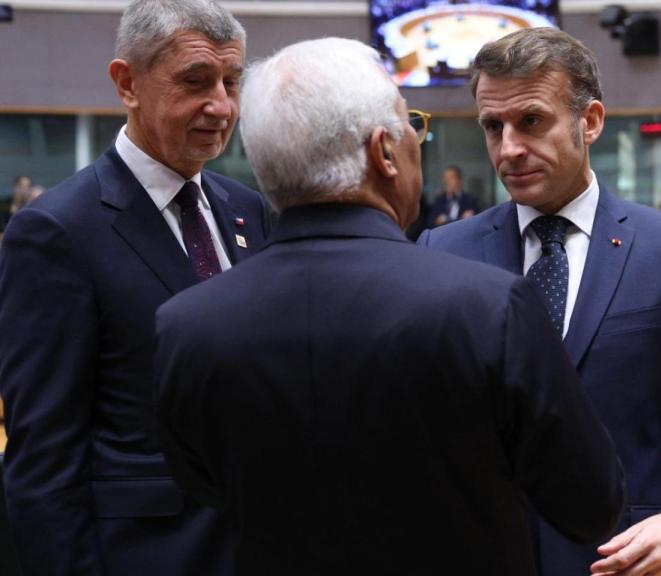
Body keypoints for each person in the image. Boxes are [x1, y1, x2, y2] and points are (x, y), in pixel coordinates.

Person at [152, 37, 624, 576]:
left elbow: (202, 485)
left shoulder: (186, 326)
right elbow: (591, 503)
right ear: (383, 153)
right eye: (410, 128)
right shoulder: (487, 308)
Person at [418, 28, 661, 576]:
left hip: (624, 556)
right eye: (492, 127)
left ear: (589, 121)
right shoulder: (443, 250)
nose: (509, 149)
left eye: (531, 121)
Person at [0, 1, 272, 573]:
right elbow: (44, 455)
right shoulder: (56, 232)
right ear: (127, 83)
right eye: (196, 81)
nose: (221, 105)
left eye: (231, 81)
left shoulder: (247, 211)